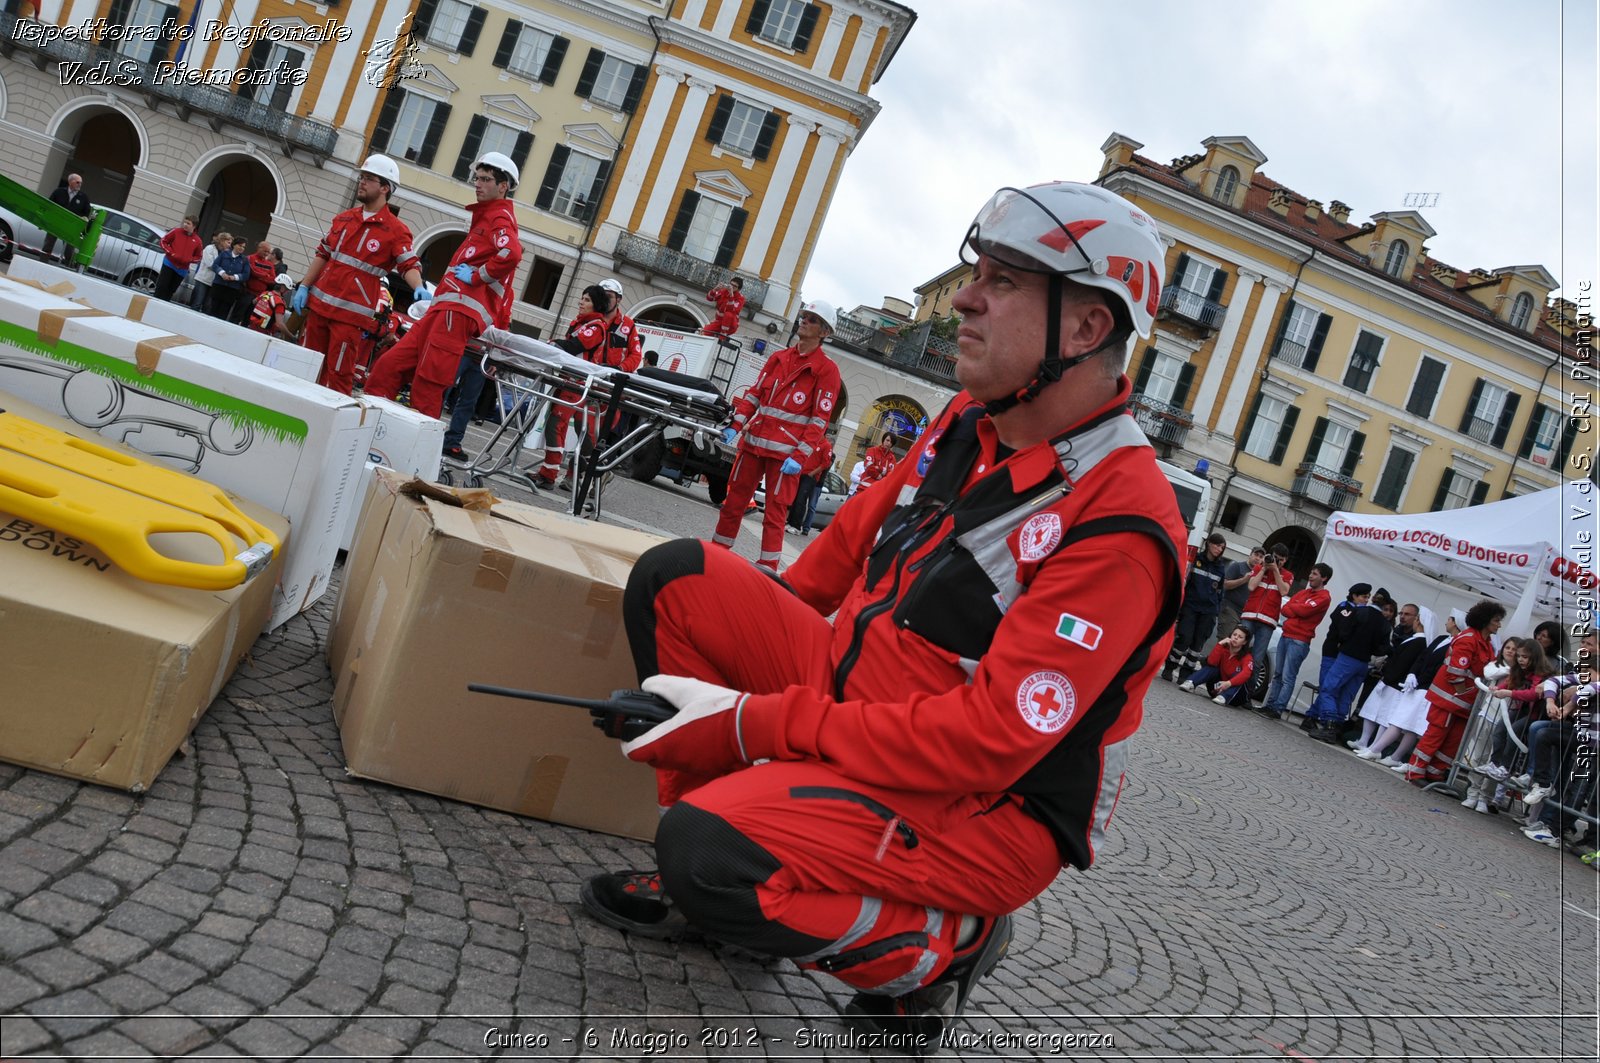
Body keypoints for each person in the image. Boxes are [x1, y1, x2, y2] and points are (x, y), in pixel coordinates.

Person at [578, 181, 1185, 1043]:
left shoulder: (1120, 518)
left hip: (982, 803)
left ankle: (943, 948)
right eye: (979, 272)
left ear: (1087, 330)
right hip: (863, 709)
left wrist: (748, 723)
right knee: (679, 578)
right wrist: (732, 688)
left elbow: (986, 740)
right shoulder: (967, 421)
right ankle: (733, 868)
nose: (967, 298)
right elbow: (831, 563)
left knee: (709, 848)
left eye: (1004, 281)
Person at [367, 152, 523, 430]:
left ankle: (414, 452)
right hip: (443, 311)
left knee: (428, 385)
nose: (478, 184)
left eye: (486, 179)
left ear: (503, 187)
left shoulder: (499, 217)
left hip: (457, 314)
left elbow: (511, 253)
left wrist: (478, 275)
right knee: (387, 367)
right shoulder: (487, 218)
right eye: (478, 178)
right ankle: (375, 432)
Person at [711, 301, 842, 572]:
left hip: (785, 456)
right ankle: (716, 553)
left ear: (824, 332)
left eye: (812, 319)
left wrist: (799, 456)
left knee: (775, 512)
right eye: (804, 316)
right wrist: (736, 425)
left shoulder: (827, 370)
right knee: (733, 501)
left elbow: (820, 420)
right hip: (754, 444)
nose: (804, 321)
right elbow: (754, 395)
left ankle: (768, 567)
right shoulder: (778, 358)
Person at [291, 154, 427, 395]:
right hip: (320, 307)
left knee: (340, 374)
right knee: (308, 366)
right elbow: (323, 253)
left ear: (385, 188)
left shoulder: (396, 231)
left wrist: (418, 286)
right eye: (361, 177)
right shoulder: (344, 218)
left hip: (350, 314)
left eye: (369, 179)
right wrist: (304, 286)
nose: (361, 182)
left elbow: (408, 264)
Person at [533, 282, 639, 488]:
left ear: (618, 299)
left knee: (588, 433)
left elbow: (636, 356)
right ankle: (576, 472)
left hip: (603, 386)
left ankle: (577, 474)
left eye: (610, 295)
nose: (606, 298)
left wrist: (616, 371)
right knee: (564, 425)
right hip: (581, 380)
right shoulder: (586, 321)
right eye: (603, 295)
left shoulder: (626, 325)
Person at [1404, 599, 1505, 785]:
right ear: (1485, 620)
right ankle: (1415, 771)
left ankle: (1434, 772)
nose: (1499, 624)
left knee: (1453, 741)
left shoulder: (1486, 643)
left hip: (1465, 702)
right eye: (1496, 620)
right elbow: (1456, 671)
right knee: (1435, 735)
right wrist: (1462, 693)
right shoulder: (1468, 639)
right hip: (1449, 699)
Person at [1303, 583, 1390, 742]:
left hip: (1347, 657)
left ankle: (1328, 725)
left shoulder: (1360, 612)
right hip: (1363, 663)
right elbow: (1383, 649)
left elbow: (1344, 632)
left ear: (1373, 599)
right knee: (1346, 695)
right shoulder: (1385, 624)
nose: (1366, 598)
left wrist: (1346, 643)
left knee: (1329, 689)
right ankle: (1336, 728)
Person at [1255, 562, 1334, 720]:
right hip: (1286, 635)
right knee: (1278, 673)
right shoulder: (1304, 593)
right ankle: (1270, 705)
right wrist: (1297, 608)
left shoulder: (1324, 597)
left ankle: (1278, 708)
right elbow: (1285, 609)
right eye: (1311, 572)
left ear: (1324, 578)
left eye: (1315, 574)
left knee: (1287, 676)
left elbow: (1304, 611)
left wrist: (1296, 608)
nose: (1310, 576)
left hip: (1300, 640)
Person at [1350, 603, 1427, 751]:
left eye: (1407, 614)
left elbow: (1405, 662)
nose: (1403, 617)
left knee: (1385, 716)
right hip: (1388, 677)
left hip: (1395, 682)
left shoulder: (1418, 640)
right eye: (1402, 614)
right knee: (1372, 710)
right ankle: (1364, 741)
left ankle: (1374, 746)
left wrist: (1389, 676)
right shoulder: (1397, 631)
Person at [1162, 532, 1229, 681]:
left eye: (1222, 547)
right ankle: (1170, 667)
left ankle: (1185, 674)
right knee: (1184, 638)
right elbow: (1187, 581)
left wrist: (1216, 609)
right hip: (1191, 606)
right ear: (1209, 544)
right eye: (1217, 545)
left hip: (1208, 611)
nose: (1219, 549)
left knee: (1197, 644)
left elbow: (1220, 590)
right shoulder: (1196, 560)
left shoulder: (1220, 567)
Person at [1240, 543, 1293, 678]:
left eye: (1281, 559)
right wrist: (1264, 569)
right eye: (1275, 558)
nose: (1277, 562)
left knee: (1257, 659)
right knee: (1239, 651)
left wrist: (1275, 570)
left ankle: (1247, 692)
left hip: (1267, 622)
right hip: (1249, 616)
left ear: (1285, 560)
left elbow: (1283, 591)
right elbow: (1251, 587)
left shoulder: (1287, 575)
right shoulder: (1259, 568)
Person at [1177, 625, 1254, 706]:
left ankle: (1224, 696)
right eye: (1234, 635)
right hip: (1216, 688)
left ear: (1244, 642)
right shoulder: (1224, 649)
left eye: (1240, 637)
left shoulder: (1247, 657)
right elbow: (1211, 662)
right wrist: (1220, 644)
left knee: (1240, 677)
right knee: (1213, 667)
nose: (1236, 638)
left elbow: (1246, 674)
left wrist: (1228, 683)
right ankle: (1191, 683)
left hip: (1235, 696)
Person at [787, 440, 834, 536]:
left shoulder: (826, 445)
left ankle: (796, 526)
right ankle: (790, 522)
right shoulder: (812, 442)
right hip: (801, 473)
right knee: (795, 499)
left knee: (801, 499)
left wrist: (812, 474)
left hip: (810, 477)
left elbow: (825, 463)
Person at [41, 173, 91, 263]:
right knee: (48, 245)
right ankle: (42, 262)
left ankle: (69, 267)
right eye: (78, 182)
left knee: (69, 250)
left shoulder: (83, 197)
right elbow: (49, 205)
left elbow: (87, 212)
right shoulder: (59, 192)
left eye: (81, 183)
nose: (80, 184)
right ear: (70, 182)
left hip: (71, 227)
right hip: (55, 223)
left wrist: (81, 219)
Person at [1217, 546, 1263, 642]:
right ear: (1250, 555)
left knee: (1237, 645)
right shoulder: (1237, 566)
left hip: (1245, 614)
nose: (1257, 558)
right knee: (1226, 641)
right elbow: (1225, 585)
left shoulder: (1260, 574)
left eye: (1260, 556)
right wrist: (1244, 579)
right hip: (1230, 608)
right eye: (1256, 554)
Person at [154, 216, 204, 301]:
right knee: (161, 286)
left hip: (182, 269)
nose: (185, 225)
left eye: (188, 223)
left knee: (170, 291)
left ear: (194, 226)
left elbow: (199, 257)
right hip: (169, 264)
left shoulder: (198, 240)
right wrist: (171, 253)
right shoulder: (176, 232)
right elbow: (163, 241)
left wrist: (189, 259)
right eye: (184, 222)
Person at [207, 237, 249, 322]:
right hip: (219, 285)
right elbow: (215, 265)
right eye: (240, 245)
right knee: (212, 308)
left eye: (243, 247)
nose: (241, 248)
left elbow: (246, 275)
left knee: (224, 312)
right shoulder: (224, 254)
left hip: (232, 289)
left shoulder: (244, 260)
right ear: (234, 245)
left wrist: (235, 277)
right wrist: (222, 273)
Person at [189, 230, 229, 311]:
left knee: (207, 307)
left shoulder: (225, 253)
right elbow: (210, 264)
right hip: (203, 280)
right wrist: (222, 271)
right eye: (228, 242)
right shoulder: (209, 248)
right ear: (222, 241)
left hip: (213, 282)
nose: (229, 245)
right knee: (197, 303)